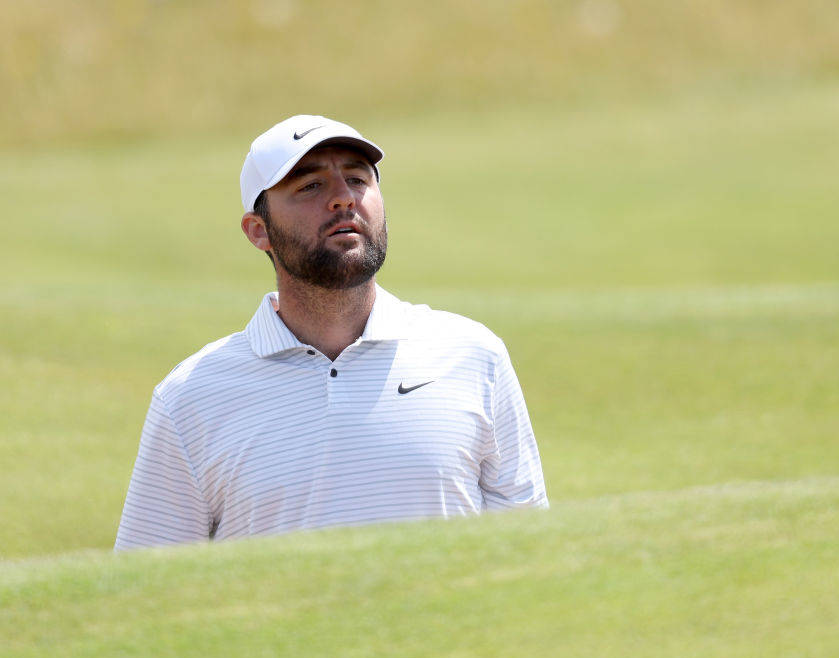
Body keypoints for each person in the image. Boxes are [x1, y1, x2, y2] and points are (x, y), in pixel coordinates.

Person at [114, 115, 547, 550]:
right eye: (310, 186)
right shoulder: (190, 397)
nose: (343, 198)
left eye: (358, 179)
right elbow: (145, 590)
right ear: (258, 231)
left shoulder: (473, 355)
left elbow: (529, 557)